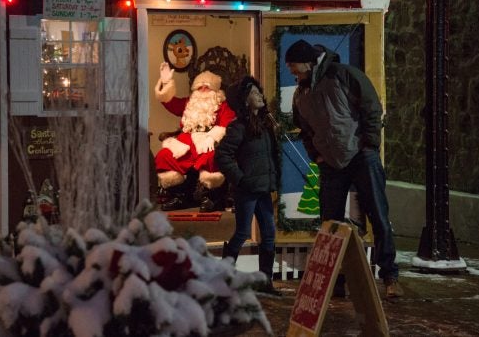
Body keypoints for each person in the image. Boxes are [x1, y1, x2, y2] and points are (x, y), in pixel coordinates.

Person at [284, 39, 404, 298]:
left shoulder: (343, 75)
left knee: (378, 216)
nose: (292, 72)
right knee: (330, 224)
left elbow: (371, 107)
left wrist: (370, 145)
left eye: (294, 67)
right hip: (331, 163)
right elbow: (305, 130)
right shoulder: (300, 95)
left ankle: (390, 276)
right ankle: (334, 281)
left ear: (307, 62)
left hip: (362, 156)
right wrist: (317, 156)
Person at [215, 76, 281, 295]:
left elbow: (271, 156)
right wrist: (240, 179)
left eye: (259, 92)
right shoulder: (238, 127)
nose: (260, 96)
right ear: (245, 100)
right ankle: (224, 278)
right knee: (242, 232)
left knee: (269, 234)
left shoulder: (264, 125)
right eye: (254, 93)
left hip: (263, 189)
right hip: (247, 190)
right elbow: (222, 155)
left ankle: (265, 281)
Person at [154, 62, 236, 210]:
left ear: (216, 90)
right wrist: (166, 83)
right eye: (200, 87)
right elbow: (170, 102)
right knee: (164, 155)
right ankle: (180, 196)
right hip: (186, 145)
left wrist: (213, 137)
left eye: (207, 87)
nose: (203, 90)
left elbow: (227, 126)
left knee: (211, 156)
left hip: (208, 143)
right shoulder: (189, 103)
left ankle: (212, 198)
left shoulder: (223, 106)